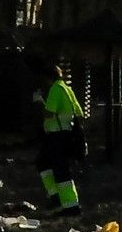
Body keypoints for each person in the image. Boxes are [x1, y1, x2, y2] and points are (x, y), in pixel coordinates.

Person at [33, 64, 86, 216]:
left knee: (60, 170)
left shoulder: (55, 90)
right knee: (43, 162)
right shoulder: (67, 89)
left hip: (57, 136)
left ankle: (70, 205)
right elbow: (79, 113)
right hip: (65, 134)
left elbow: (49, 113)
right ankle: (56, 196)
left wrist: (39, 102)